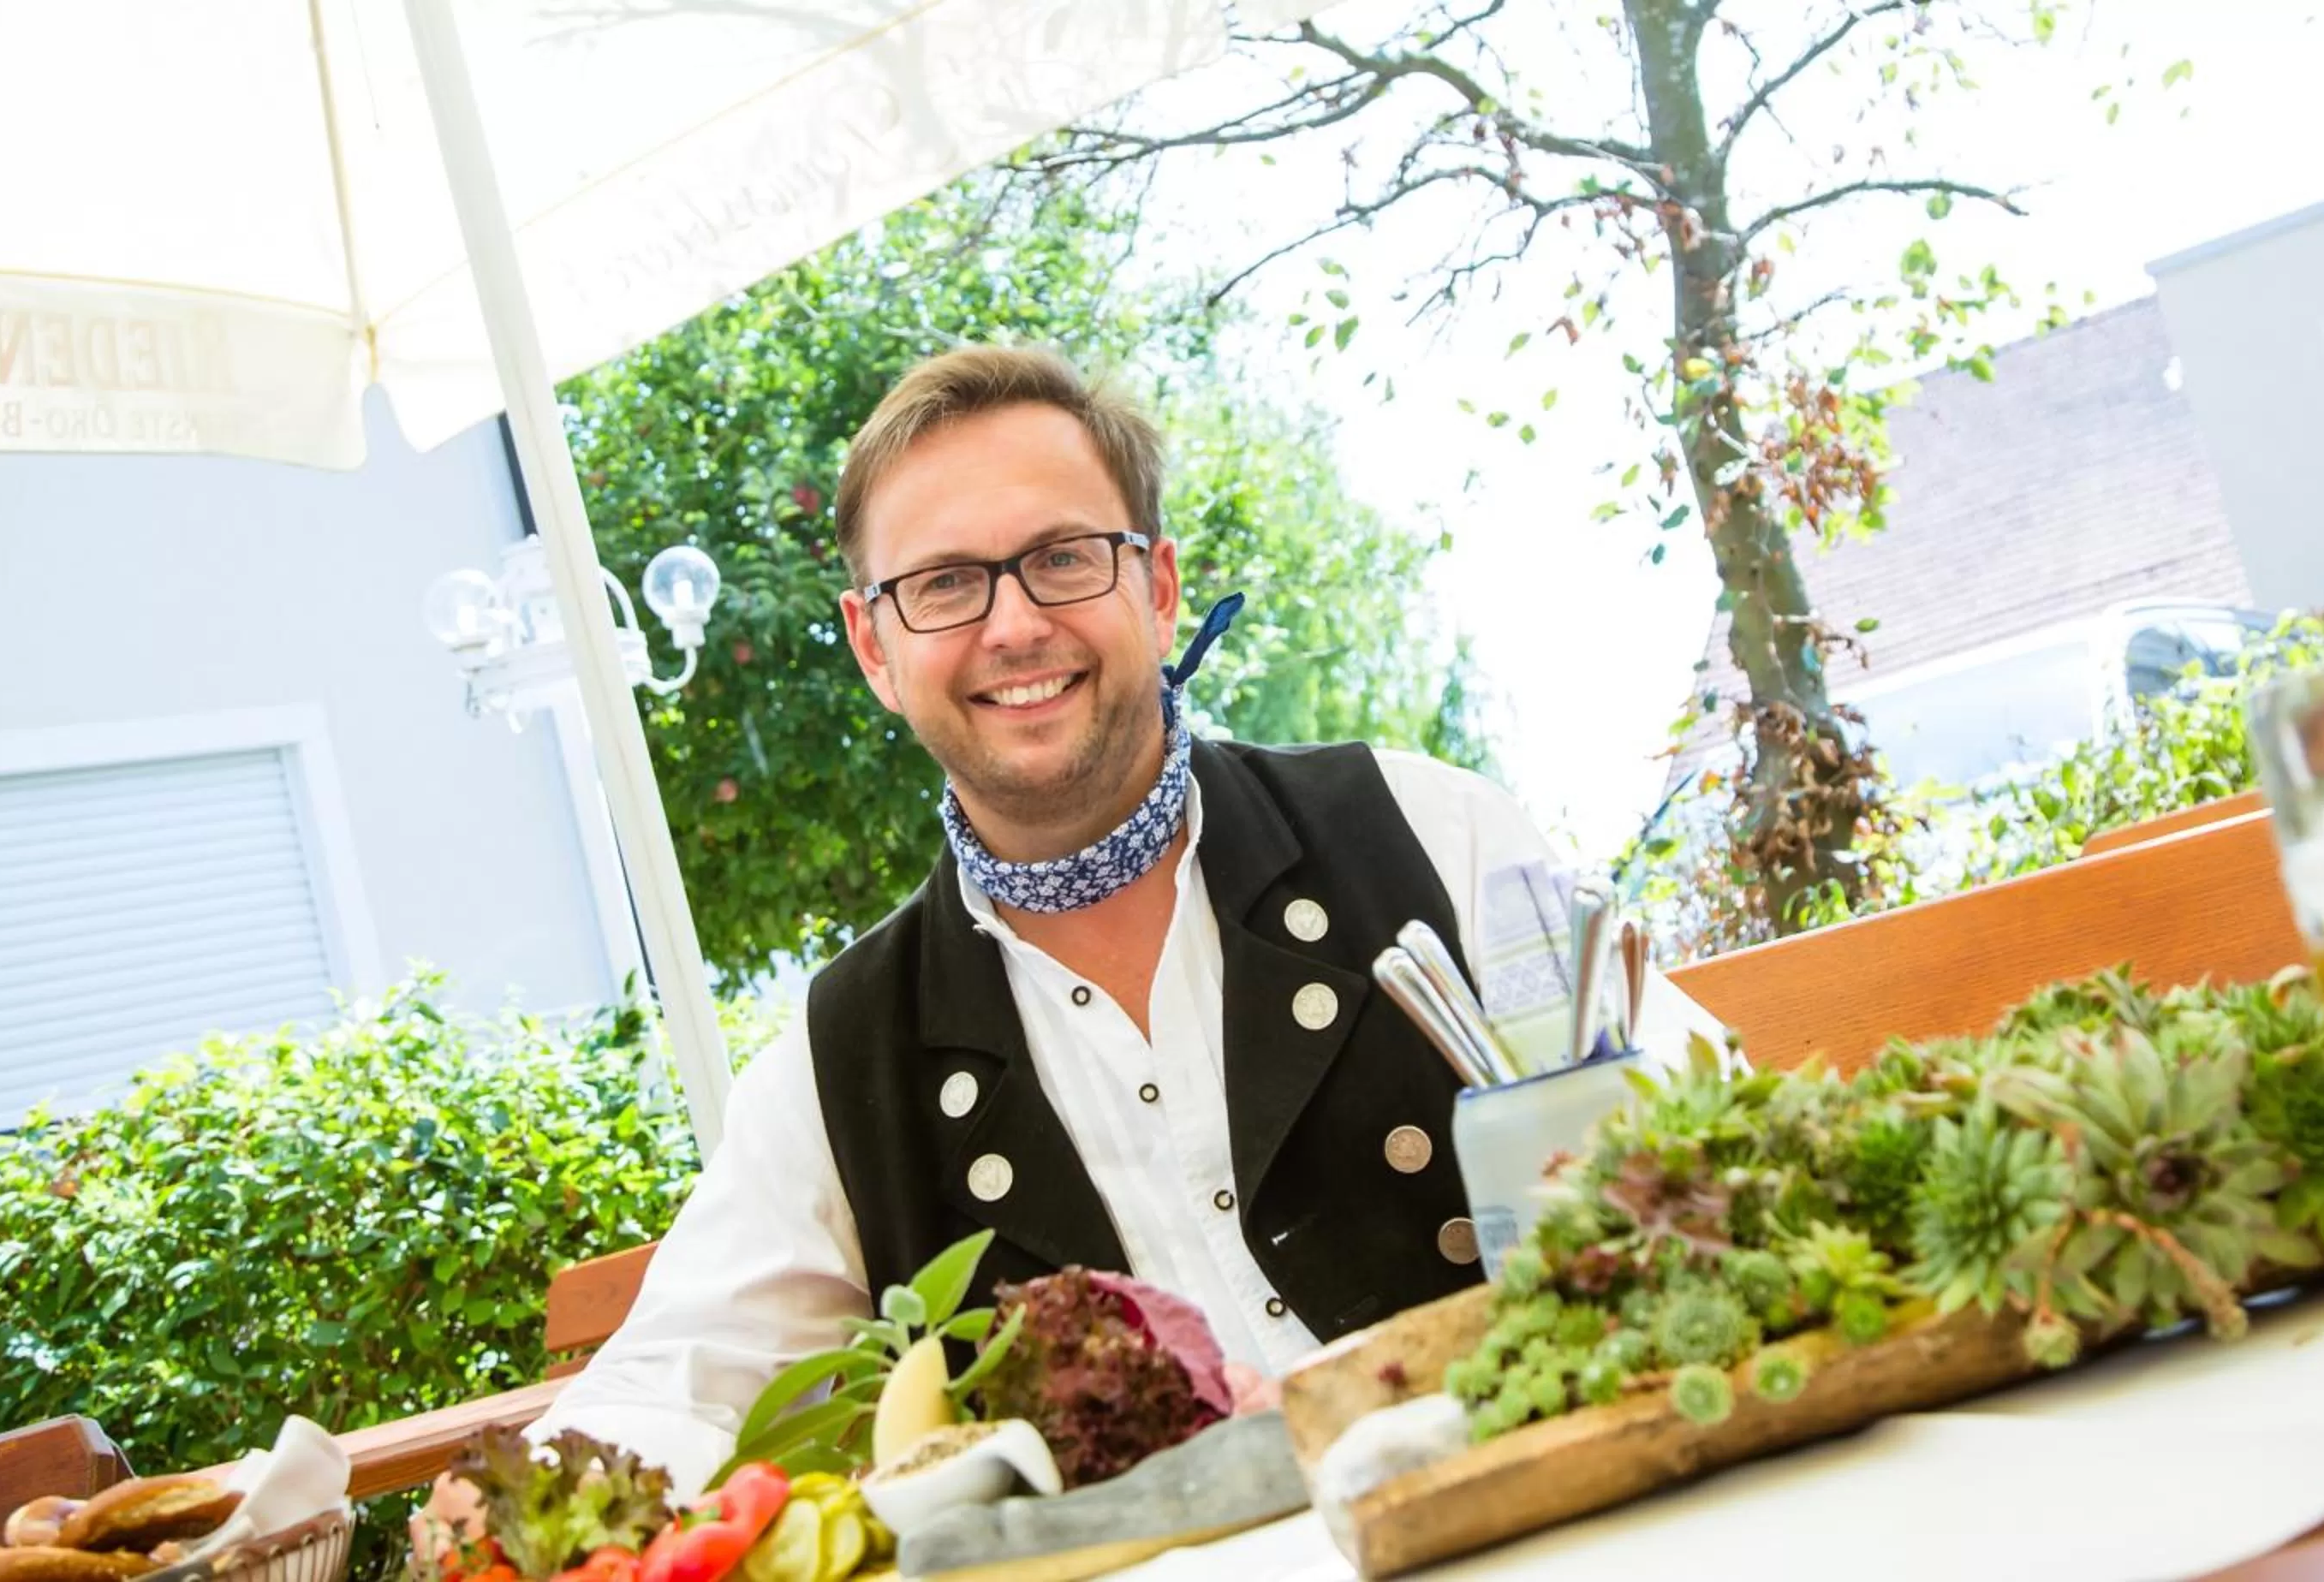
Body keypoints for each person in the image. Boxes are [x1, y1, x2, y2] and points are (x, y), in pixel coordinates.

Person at [523, 345, 1729, 1496]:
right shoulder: (846, 1054)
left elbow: (1692, 1124)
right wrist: (532, 1518)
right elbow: (678, 1384)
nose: (1012, 625)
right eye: (944, 584)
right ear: (874, 650)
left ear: (1155, 587)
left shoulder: (1428, 832)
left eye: (1062, 557)